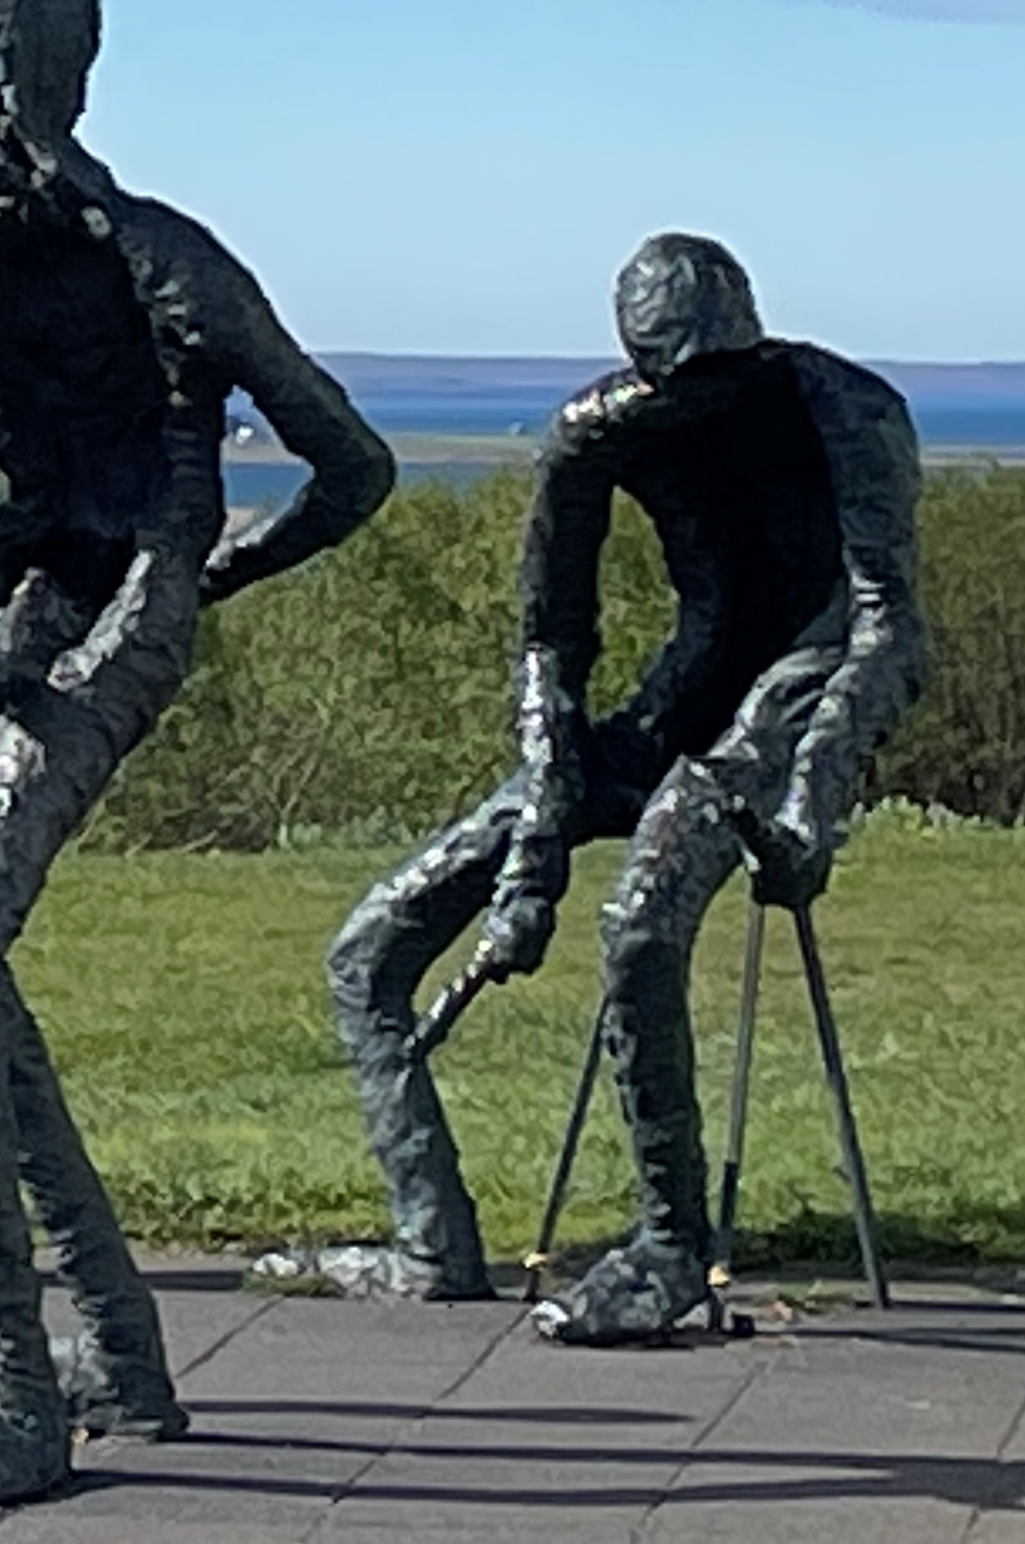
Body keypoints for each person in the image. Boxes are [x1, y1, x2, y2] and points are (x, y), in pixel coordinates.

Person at [0, 0, 394, 1505]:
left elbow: (349, 464)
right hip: (29, 633)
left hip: (124, 618)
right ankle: (109, 1349)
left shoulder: (169, 268)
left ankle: (23, 1394)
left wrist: (200, 576)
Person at [311, 232, 924, 1343]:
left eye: (716, 369)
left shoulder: (846, 409)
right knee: (368, 951)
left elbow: (886, 628)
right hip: (673, 710)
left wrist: (811, 798)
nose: (695, 396)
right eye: (668, 374)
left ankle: (669, 1245)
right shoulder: (596, 432)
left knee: (638, 921)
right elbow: (550, 642)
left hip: (794, 702)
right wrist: (536, 841)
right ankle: (430, 1240)